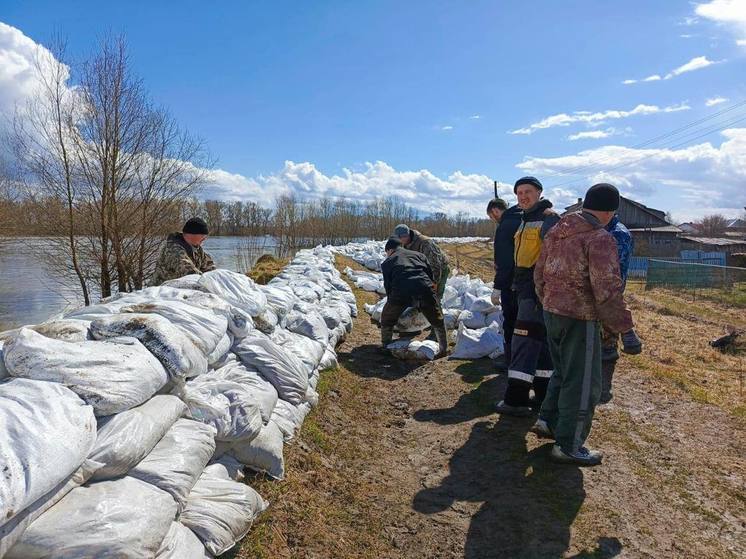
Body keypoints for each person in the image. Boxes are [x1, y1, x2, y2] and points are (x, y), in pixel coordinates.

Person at [532, 183, 642, 466]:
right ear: (609, 212)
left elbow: (540, 273)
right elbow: (607, 291)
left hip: (552, 312)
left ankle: (548, 420)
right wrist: (626, 330)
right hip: (581, 319)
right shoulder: (599, 238)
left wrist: (550, 302)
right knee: (584, 385)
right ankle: (569, 445)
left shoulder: (557, 231)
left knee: (563, 372)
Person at [495, 177, 559, 416]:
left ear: (540, 193)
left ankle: (516, 399)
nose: (523, 196)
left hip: (536, 291)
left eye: (528, 192)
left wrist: (539, 288)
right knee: (540, 345)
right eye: (519, 193)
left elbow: (554, 259)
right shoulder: (525, 219)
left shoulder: (549, 219)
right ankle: (543, 397)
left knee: (523, 342)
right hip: (524, 288)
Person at [380, 237, 448, 358]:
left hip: (401, 290)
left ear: (390, 250)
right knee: (437, 319)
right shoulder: (419, 255)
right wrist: (429, 297)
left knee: (387, 317)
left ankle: (385, 345)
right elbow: (429, 275)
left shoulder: (388, 262)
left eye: (387, 253)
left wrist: (393, 305)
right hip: (425, 288)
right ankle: (443, 349)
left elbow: (388, 285)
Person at [600, 213, 636, 403]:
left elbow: (615, 274)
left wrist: (612, 303)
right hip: (596, 297)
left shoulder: (618, 234)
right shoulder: (601, 229)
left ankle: (603, 390)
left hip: (609, 298)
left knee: (607, 345)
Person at [486, 197, 522, 367]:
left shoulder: (505, 226)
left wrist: (498, 287)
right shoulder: (522, 217)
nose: (493, 220)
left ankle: (511, 362)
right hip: (526, 281)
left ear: (495, 211)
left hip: (511, 284)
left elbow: (505, 261)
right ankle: (525, 360)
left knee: (510, 322)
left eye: (491, 217)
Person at [151, 217, 216, 286]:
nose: (205, 239)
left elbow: (210, 268)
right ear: (191, 234)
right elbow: (190, 274)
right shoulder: (173, 250)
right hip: (162, 292)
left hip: (178, 289)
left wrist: (215, 278)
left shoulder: (197, 249)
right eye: (203, 236)